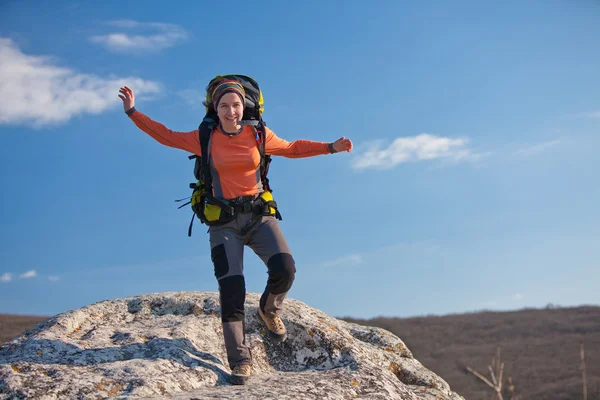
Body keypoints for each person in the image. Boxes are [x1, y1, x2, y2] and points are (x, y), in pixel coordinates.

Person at [118, 80, 352, 385]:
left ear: (245, 107)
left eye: (236, 105)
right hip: (224, 223)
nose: (231, 111)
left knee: (285, 269)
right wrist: (133, 112)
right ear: (215, 109)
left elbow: (292, 148)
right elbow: (166, 136)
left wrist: (330, 148)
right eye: (224, 105)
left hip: (258, 217)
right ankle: (240, 360)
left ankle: (269, 310)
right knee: (232, 291)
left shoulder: (258, 134)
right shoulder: (205, 138)